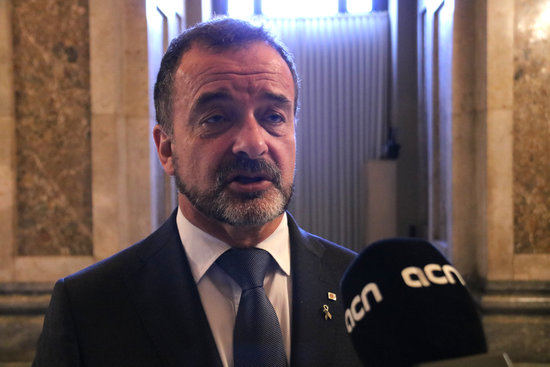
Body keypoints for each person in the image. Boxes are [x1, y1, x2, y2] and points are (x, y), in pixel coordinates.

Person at [32, 18, 362, 367]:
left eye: (273, 116)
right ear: (167, 149)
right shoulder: (89, 308)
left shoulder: (361, 288)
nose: (252, 144)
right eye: (216, 118)